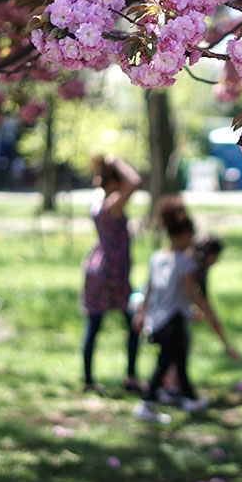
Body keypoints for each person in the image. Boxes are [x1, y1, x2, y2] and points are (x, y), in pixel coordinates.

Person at [133, 198, 235, 422]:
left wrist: (142, 313)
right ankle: (147, 403)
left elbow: (149, 288)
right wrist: (205, 309)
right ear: (184, 235)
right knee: (164, 363)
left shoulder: (157, 258)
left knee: (179, 359)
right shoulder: (185, 263)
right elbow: (190, 292)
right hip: (173, 319)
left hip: (158, 318)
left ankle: (189, 398)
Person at [80, 154, 143, 394]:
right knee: (132, 322)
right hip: (112, 271)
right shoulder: (112, 205)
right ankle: (131, 376)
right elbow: (135, 182)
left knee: (93, 323)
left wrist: (106, 169)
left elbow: (107, 182)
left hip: (95, 266)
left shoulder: (97, 201)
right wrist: (115, 161)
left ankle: (88, 379)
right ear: (115, 182)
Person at [157, 233, 238, 403]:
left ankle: (171, 390)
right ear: (213, 255)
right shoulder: (189, 266)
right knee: (174, 354)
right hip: (166, 314)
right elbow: (194, 296)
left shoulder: (185, 261)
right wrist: (226, 343)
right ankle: (170, 393)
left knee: (174, 354)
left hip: (166, 312)